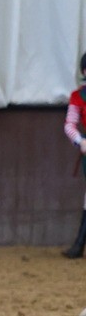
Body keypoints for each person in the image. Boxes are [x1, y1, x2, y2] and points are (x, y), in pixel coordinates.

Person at [63, 52, 86, 258]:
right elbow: (69, 125)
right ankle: (79, 244)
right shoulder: (77, 97)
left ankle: (79, 244)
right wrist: (80, 141)